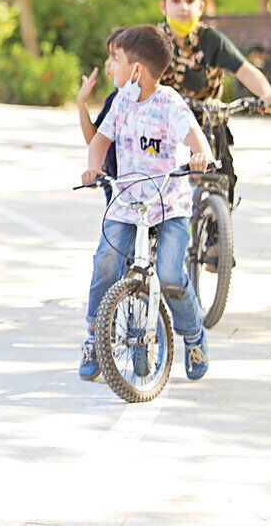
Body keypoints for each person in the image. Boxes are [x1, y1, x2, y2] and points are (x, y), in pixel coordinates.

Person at [79, 25, 216, 382]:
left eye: (117, 59)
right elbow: (100, 142)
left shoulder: (170, 103)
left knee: (171, 274)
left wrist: (201, 155)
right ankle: (94, 336)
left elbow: (195, 136)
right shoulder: (122, 102)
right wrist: (94, 166)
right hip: (127, 202)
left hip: (168, 204)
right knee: (107, 261)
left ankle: (193, 335)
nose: (111, 65)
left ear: (136, 70)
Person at [157, 0, 271, 205]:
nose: (183, 7)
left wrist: (266, 94)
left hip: (208, 122)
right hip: (166, 126)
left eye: (190, 0)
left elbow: (243, 69)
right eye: (176, 0)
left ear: (201, 7)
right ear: (163, 6)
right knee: (159, 184)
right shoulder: (154, 40)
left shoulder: (211, 39)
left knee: (225, 177)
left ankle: (215, 232)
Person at [75, 27, 124, 204]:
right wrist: (82, 103)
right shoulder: (115, 100)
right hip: (115, 188)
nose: (107, 63)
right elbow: (93, 138)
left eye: (114, 57)